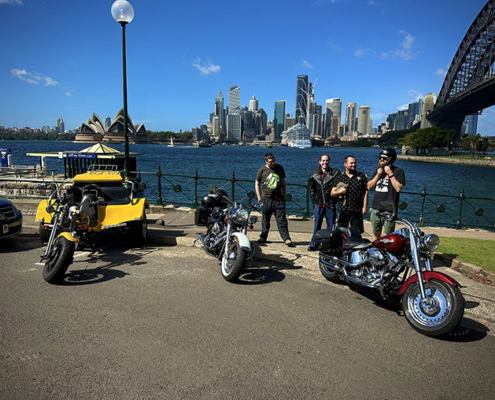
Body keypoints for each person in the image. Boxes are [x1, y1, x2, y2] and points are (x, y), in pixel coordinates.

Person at [255, 153, 295, 247]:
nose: (272, 163)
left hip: (278, 199)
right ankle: (263, 237)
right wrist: (259, 197)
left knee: (282, 220)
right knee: (265, 219)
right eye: (270, 162)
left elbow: (283, 182)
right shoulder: (262, 170)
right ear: (266, 161)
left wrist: (284, 195)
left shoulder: (279, 168)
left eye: (274, 161)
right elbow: (257, 183)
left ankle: (286, 238)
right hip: (266, 199)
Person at [367, 148, 406, 241]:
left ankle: (386, 253)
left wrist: (390, 173)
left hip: (389, 210)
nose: (381, 159)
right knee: (375, 234)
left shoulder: (398, 171)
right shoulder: (378, 170)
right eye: (380, 157)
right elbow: (369, 186)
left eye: (384, 158)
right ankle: (376, 251)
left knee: (388, 235)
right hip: (376, 207)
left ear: (391, 159)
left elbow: (398, 188)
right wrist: (377, 175)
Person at [307, 154, 340, 251]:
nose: (325, 162)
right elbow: (312, 191)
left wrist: (334, 201)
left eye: (327, 160)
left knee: (331, 227)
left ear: (329, 162)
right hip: (319, 205)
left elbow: (340, 185)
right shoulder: (314, 176)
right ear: (320, 162)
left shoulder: (335, 173)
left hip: (330, 205)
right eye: (323, 160)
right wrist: (315, 204)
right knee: (317, 226)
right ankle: (313, 243)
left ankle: (330, 245)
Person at [331, 156, 368, 233]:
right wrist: (340, 192)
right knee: (341, 232)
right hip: (343, 208)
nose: (353, 165)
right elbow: (332, 193)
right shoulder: (340, 177)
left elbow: (365, 192)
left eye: (354, 163)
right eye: (351, 163)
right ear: (345, 164)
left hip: (357, 209)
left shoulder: (361, 176)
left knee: (357, 232)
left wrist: (364, 207)